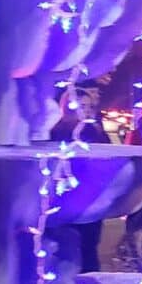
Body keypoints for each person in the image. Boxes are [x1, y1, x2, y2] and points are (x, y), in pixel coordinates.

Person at [50, 87, 111, 272]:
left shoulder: (96, 132)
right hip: (63, 200)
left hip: (90, 199)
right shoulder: (56, 132)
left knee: (88, 248)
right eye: (81, 106)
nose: (86, 111)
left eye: (89, 106)